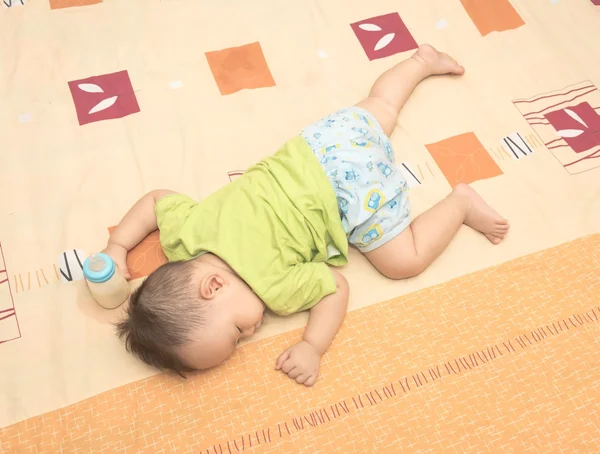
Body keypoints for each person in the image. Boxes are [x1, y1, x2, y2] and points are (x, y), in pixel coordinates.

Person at [103, 45, 509, 387]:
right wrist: (118, 245)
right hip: (320, 147)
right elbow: (157, 200)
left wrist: (313, 345)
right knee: (381, 108)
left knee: (404, 260)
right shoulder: (184, 236)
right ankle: (421, 62)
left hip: (353, 193)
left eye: (236, 333)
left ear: (213, 286)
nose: (250, 333)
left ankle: (461, 204)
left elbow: (334, 286)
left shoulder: (274, 288)